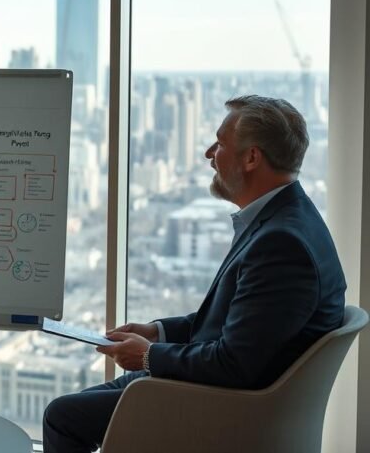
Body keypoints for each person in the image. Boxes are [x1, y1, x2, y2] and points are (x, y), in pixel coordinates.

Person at [43, 95, 347, 453]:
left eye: (220, 143)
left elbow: (235, 364)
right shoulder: (285, 219)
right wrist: (157, 332)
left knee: (62, 417)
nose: (208, 154)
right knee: (76, 406)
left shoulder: (282, 244)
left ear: (252, 158)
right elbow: (237, 322)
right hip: (208, 387)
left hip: (218, 407)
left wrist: (147, 356)